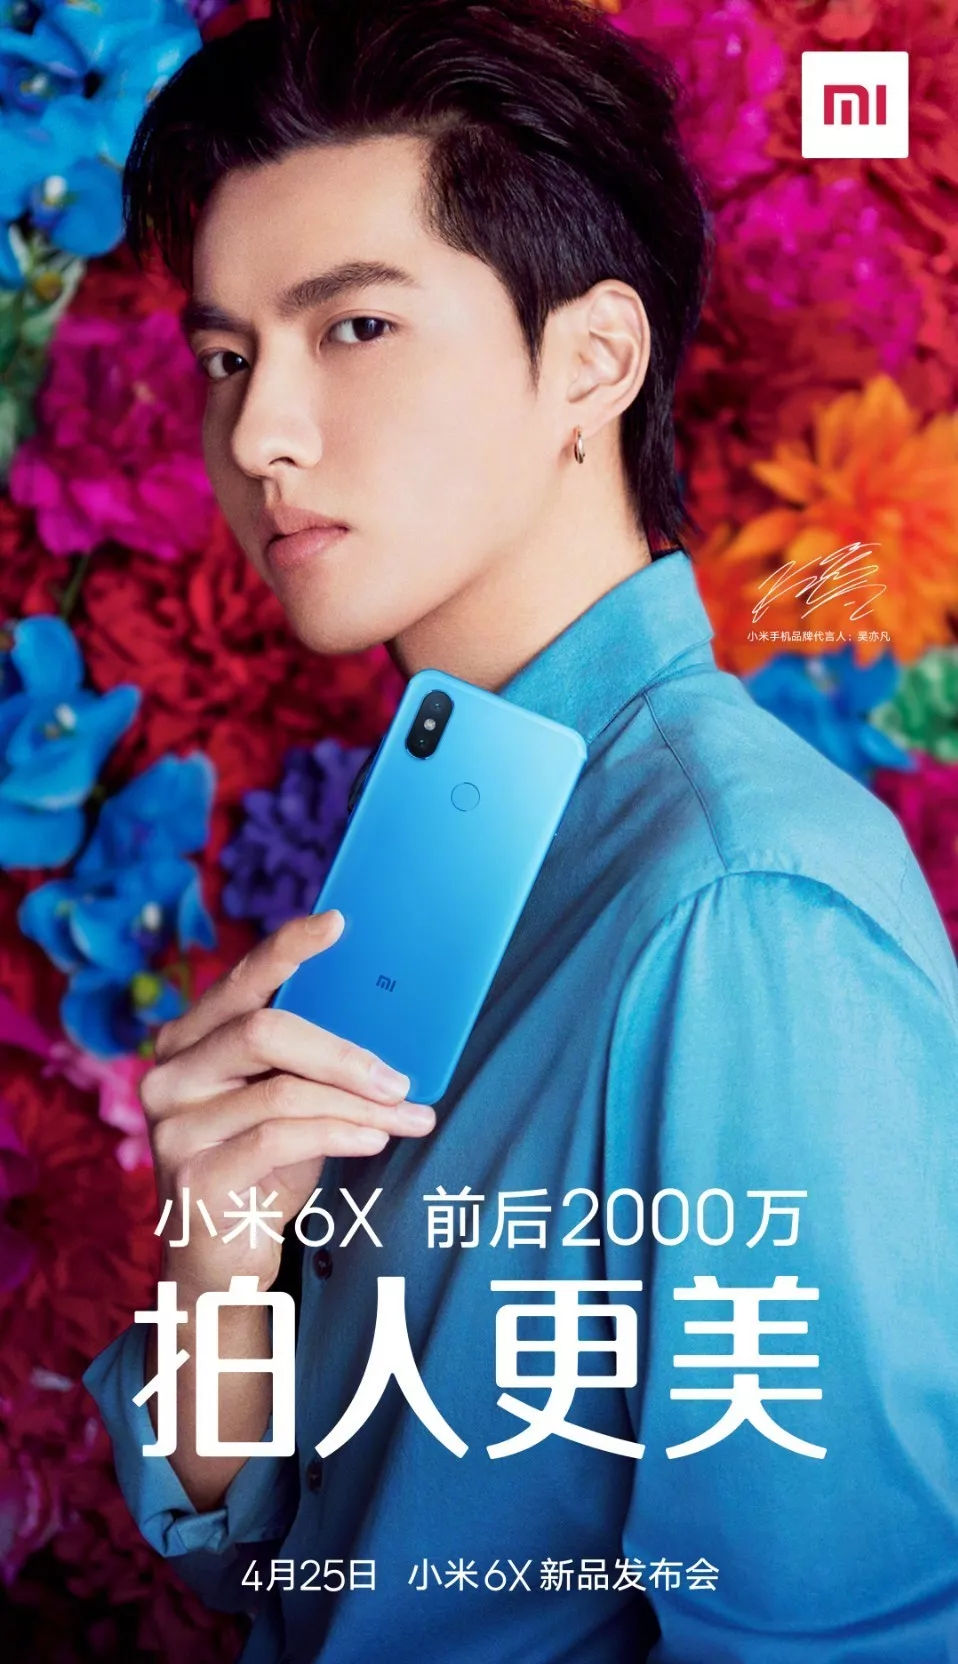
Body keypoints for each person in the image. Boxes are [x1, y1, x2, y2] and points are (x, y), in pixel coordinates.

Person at [82, 1, 958, 1660]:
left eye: (353, 328)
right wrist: (217, 1276)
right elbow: (305, 1566)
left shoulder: (738, 902)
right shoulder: (450, 818)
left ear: (593, 362)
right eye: (227, 357)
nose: (256, 435)